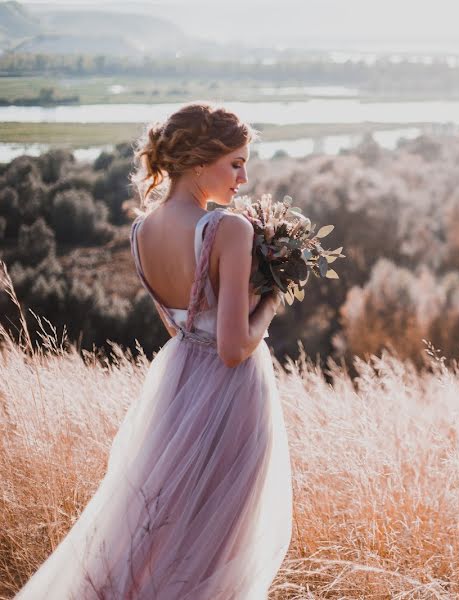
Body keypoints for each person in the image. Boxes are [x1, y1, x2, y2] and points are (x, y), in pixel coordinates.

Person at [14, 102, 294, 599]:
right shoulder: (229, 230)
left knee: (160, 530)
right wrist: (271, 300)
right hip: (231, 395)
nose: (244, 178)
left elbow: (182, 328)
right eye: (235, 163)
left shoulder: (142, 231)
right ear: (197, 159)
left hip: (179, 386)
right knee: (218, 544)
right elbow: (232, 348)